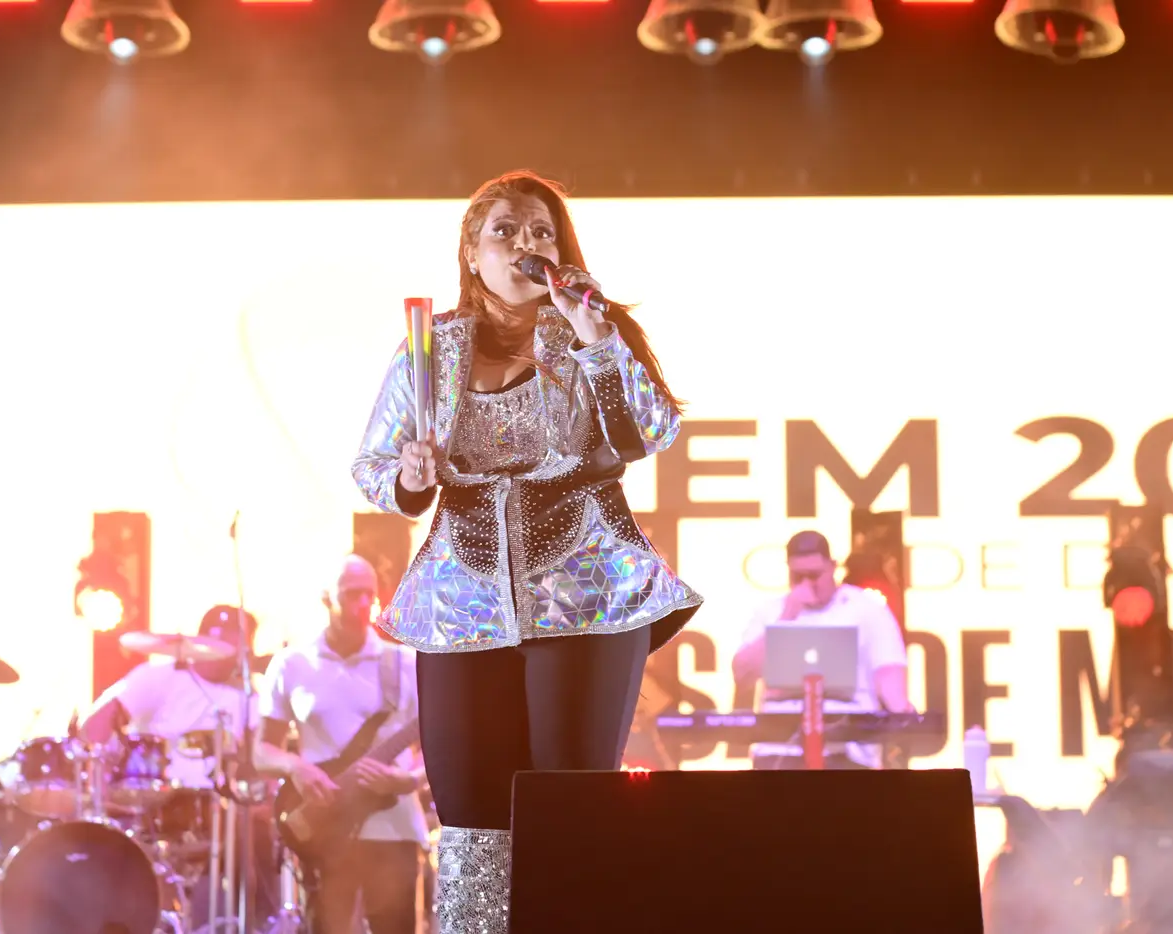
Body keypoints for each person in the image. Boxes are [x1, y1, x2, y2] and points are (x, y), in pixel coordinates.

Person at [351, 169, 702, 932]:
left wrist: (596, 337)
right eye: (505, 230)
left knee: (570, 804)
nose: (524, 244)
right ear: (471, 253)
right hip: (461, 603)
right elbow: (372, 464)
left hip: (585, 593)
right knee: (472, 822)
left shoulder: (588, 333)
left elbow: (648, 432)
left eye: (541, 232)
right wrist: (409, 477)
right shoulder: (431, 350)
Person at [80, 605, 281, 927]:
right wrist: (100, 782)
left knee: (256, 834)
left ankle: (259, 922)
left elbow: (264, 765)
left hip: (217, 811)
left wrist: (265, 796)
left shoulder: (249, 700)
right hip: (153, 801)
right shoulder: (159, 677)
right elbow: (96, 725)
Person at [257, 555, 428, 934]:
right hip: (325, 831)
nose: (363, 604)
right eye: (352, 594)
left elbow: (437, 748)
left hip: (393, 827)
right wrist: (296, 767)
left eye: (369, 594)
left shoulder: (404, 663)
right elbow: (261, 751)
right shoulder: (291, 664)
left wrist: (410, 780)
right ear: (326, 598)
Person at [731, 530, 911, 769]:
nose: (807, 584)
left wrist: (903, 712)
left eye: (814, 575)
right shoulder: (771, 612)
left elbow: (888, 673)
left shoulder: (867, 609)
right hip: (778, 751)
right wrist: (786, 618)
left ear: (832, 567)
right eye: (798, 576)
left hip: (849, 751)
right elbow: (742, 675)